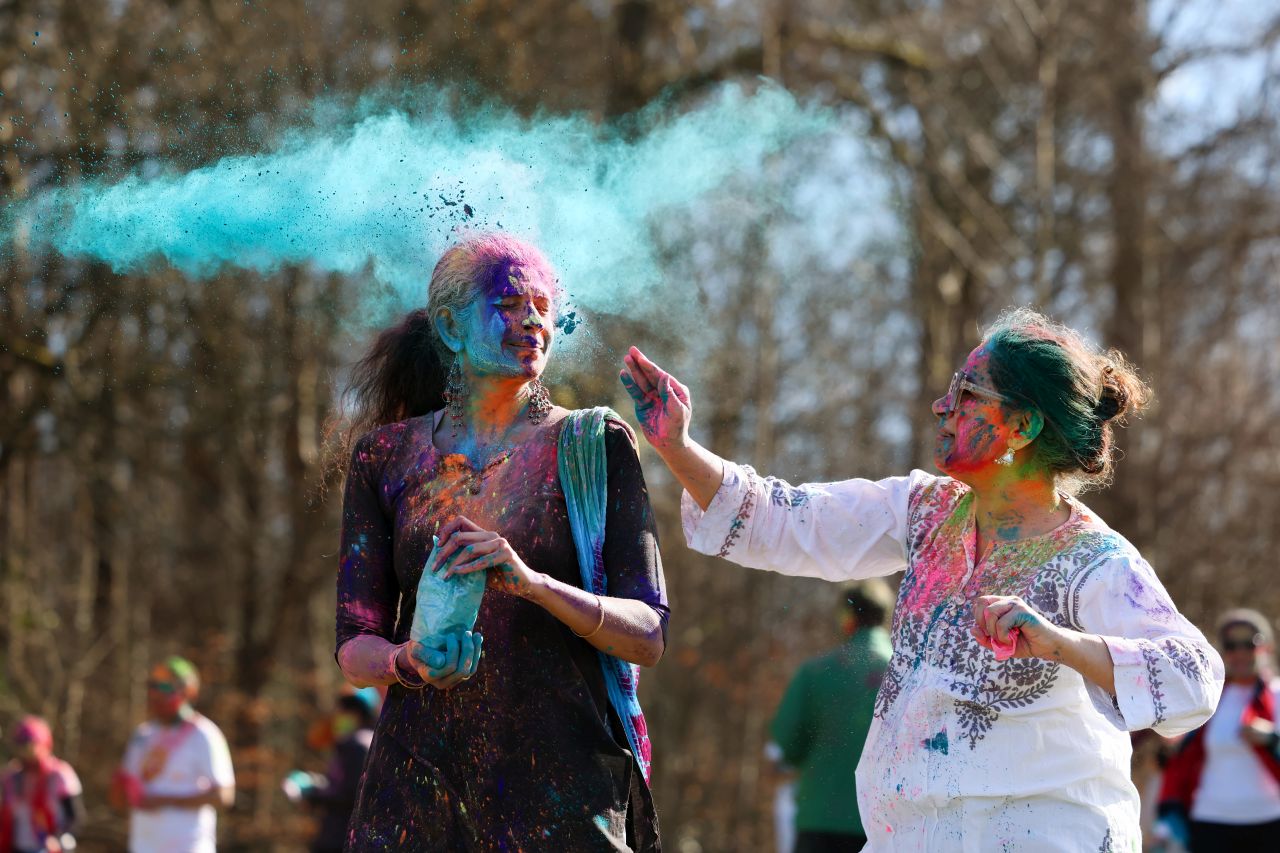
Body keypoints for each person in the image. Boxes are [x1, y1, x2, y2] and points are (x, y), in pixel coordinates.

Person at [619, 308, 1224, 851]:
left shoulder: (1095, 560)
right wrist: (676, 446)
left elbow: (1195, 679)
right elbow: (785, 519)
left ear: (1023, 427)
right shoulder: (927, 510)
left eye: (966, 394)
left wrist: (1061, 643)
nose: (943, 406)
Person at [335, 233, 668, 850]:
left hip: (563, 801)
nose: (533, 321)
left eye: (542, 305)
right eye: (511, 304)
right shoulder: (385, 456)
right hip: (415, 800)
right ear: (450, 327)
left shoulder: (594, 445)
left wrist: (535, 585)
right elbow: (354, 645)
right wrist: (407, 662)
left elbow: (648, 634)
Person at [770, 581, 895, 853]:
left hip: (819, 820)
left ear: (847, 619)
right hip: (886, 825)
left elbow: (788, 745)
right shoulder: (906, 677)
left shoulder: (814, 672)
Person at [1157, 608, 1280, 851]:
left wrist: (1272, 738)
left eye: (1249, 643)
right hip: (1210, 822)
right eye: (1231, 645)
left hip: (1269, 821)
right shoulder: (1206, 697)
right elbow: (1179, 755)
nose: (1240, 652)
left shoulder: (1276, 695)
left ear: (1266, 647)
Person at [110, 657, 235, 853]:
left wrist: (167, 801)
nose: (157, 694)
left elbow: (224, 795)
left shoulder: (204, 735)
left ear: (189, 692)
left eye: (166, 688)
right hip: (144, 846)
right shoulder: (142, 736)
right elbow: (125, 791)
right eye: (153, 686)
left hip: (188, 846)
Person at [282, 687, 379, 853]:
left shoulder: (356, 745)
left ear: (362, 714)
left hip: (341, 838)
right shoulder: (373, 743)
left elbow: (351, 795)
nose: (342, 715)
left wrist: (313, 793)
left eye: (349, 710)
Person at [0, 716, 84, 853]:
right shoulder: (12, 777)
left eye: (28, 746)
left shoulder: (59, 774)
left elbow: (75, 816)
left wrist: (59, 838)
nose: (24, 753)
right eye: (19, 746)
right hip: (17, 847)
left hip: (48, 847)